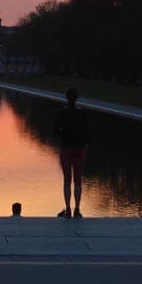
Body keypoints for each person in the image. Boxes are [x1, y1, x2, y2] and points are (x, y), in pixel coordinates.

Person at [54, 87, 89, 218]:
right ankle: (77, 209)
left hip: (66, 148)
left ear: (66, 98)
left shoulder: (61, 113)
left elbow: (55, 131)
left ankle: (68, 208)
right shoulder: (82, 113)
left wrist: (64, 132)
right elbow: (87, 132)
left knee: (67, 180)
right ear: (77, 99)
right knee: (78, 180)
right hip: (80, 148)